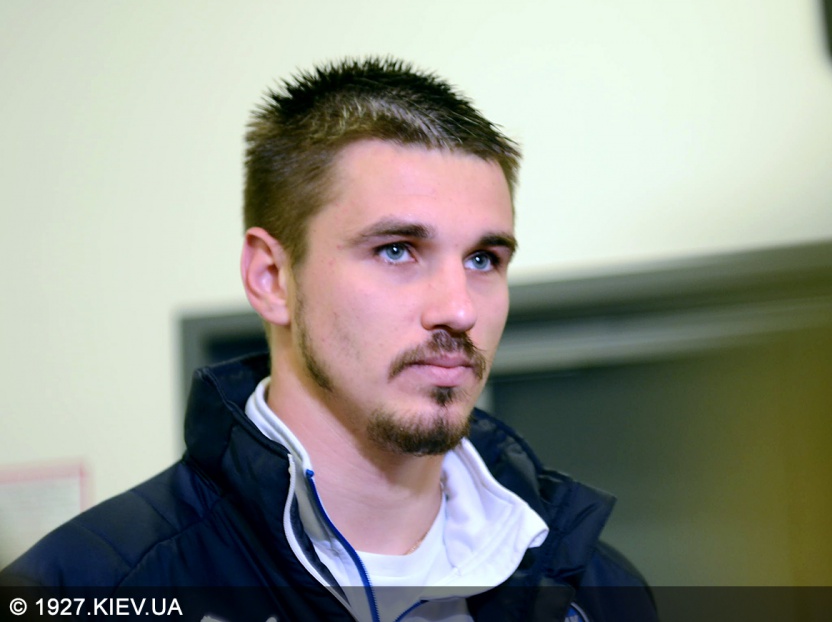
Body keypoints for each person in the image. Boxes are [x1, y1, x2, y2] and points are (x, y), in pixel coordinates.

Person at [1, 58, 655, 621]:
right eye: (397, 250)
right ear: (271, 278)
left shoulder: (599, 593)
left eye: (484, 260)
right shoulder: (81, 588)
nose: (459, 309)